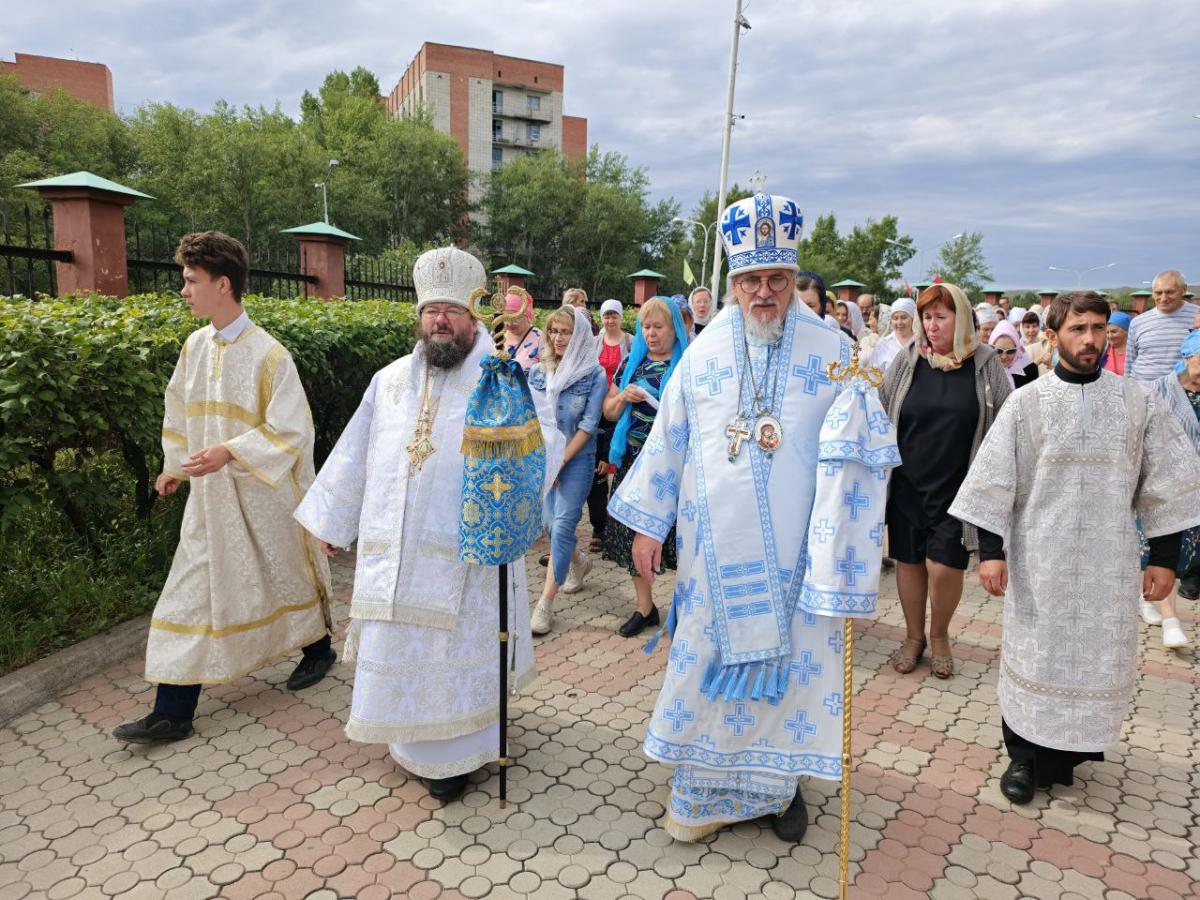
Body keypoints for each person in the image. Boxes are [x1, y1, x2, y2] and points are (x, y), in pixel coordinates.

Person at [608, 188, 893, 843]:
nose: (763, 291)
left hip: (798, 557)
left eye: (777, 278)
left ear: (794, 279)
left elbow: (861, 457)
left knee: (786, 677)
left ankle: (777, 788)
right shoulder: (704, 353)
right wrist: (649, 526)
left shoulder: (835, 352)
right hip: (714, 555)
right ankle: (703, 788)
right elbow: (668, 442)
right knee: (713, 666)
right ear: (733, 282)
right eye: (751, 279)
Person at [295, 246, 563, 803]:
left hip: (465, 551)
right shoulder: (388, 380)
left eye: (452, 311)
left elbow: (548, 443)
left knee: (450, 655)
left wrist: (512, 499)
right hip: (394, 552)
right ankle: (408, 743)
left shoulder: (502, 377)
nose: (440, 321)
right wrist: (332, 521)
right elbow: (355, 452)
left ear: (473, 316)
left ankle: (456, 754)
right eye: (430, 311)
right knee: (401, 648)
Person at [949, 291, 1200, 804]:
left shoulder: (1137, 401)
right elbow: (997, 482)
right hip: (1039, 558)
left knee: (1093, 659)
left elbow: (1166, 483)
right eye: (1077, 329)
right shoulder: (1027, 402)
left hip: (1108, 562)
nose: (1090, 339)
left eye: (1098, 329)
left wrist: (1165, 559)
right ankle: (1022, 758)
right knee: (1036, 658)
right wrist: (992, 552)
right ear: (1055, 335)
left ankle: (1068, 757)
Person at [114, 232, 334, 745]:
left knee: (285, 576)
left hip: (264, 498)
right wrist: (176, 466)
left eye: (191, 281)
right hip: (209, 501)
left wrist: (229, 452)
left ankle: (319, 647)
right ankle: (172, 710)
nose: (184, 291)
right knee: (188, 592)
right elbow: (178, 409)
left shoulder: (270, 355)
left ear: (223, 284)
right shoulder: (194, 347)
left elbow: (292, 431)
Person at [879, 283, 1012, 678]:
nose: (932, 326)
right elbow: (882, 409)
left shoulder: (986, 364)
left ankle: (939, 635)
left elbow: (1007, 420)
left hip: (959, 488)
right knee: (909, 562)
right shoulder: (907, 361)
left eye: (941, 317)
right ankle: (912, 636)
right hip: (907, 483)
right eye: (927, 317)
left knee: (943, 566)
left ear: (962, 319)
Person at [601, 297, 688, 637]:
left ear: (674, 329)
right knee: (629, 536)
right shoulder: (630, 364)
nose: (651, 334)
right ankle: (645, 608)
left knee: (680, 539)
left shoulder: (686, 366)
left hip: (673, 466)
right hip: (634, 460)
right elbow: (608, 412)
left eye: (658, 327)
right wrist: (623, 398)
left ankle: (685, 609)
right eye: (645, 327)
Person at [528, 307, 608, 634]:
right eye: (555, 332)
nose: (560, 338)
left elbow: (588, 426)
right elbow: (530, 419)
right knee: (549, 524)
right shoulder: (538, 372)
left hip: (576, 460)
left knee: (561, 527)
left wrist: (560, 460)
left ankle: (545, 604)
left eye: (566, 332)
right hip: (545, 458)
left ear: (579, 337)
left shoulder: (595, 375)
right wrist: (545, 459)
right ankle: (578, 561)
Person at [1141, 330, 1200, 646]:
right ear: (1188, 356)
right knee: (1163, 548)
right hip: (1164, 484)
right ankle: (1171, 621)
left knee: (1187, 554)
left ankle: (1148, 596)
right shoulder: (1159, 391)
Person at [585, 299, 634, 553]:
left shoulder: (630, 341)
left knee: (621, 462)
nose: (610, 320)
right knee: (600, 467)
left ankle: (622, 524)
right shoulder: (595, 342)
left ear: (621, 317)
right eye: (606, 316)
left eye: (614, 315)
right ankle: (600, 528)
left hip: (621, 407)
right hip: (597, 406)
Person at [1127, 270, 1200, 382]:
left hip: (1183, 395)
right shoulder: (1137, 322)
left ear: (1184, 290)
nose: (1164, 298)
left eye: (1169, 292)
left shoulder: (1197, 317)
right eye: (1158, 293)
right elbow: (1129, 362)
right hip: (1142, 393)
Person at [868, 298, 916, 372]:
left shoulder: (921, 342)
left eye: (904, 318)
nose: (899, 322)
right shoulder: (883, 344)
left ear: (913, 318)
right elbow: (874, 376)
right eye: (895, 318)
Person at [990, 320, 1039, 389]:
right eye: (999, 351)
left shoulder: (1029, 369)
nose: (1004, 356)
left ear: (1017, 350)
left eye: (1010, 351)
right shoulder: (986, 371)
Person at [502, 286, 542, 370]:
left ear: (527, 316)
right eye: (506, 318)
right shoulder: (498, 335)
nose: (510, 323)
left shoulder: (540, 339)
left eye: (515, 318)